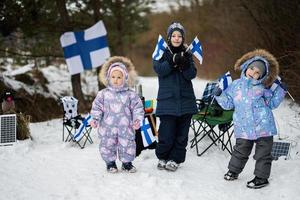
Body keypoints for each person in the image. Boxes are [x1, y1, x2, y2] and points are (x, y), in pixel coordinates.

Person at [214, 49, 287, 189]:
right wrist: (219, 95)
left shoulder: (263, 88)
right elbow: (228, 104)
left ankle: (261, 177)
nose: (253, 73)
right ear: (247, 66)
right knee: (240, 150)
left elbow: (272, 103)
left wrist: (280, 91)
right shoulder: (235, 85)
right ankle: (233, 171)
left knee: (263, 153)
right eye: (252, 68)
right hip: (243, 126)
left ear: (262, 76)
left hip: (264, 127)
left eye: (257, 72)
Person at [153, 22, 198, 171]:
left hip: (186, 101)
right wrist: (172, 62)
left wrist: (185, 64)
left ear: (183, 38)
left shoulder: (188, 53)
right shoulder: (162, 52)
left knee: (181, 135)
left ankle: (175, 159)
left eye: (180, 36)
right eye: (174, 35)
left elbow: (191, 74)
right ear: (169, 37)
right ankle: (162, 156)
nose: (177, 38)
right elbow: (159, 69)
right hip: (167, 101)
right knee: (166, 134)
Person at [90, 56, 145, 173]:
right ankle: (110, 163)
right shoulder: (103, 94)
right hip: (107, 128)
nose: (116, 79)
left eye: (119, 77)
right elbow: (97, 108)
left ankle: (127, 163)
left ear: (125, 78)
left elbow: (138, 108)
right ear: (109, 78)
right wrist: (95, 119)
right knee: (107, 145)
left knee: (128, 145)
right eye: (113, 77)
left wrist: (137, 120)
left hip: (126, 127)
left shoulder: (131, 94)